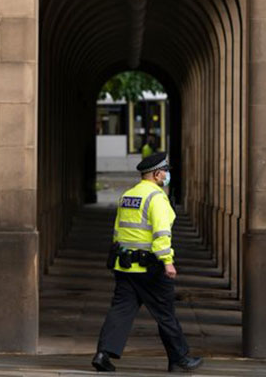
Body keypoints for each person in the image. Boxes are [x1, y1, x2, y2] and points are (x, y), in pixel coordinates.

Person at [91, 152, 202, 373]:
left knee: (120, 310)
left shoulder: (128, 195)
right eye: (166, 171)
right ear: (157, 174)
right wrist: (167, 261)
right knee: (165, 312)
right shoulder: (156, 198)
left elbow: (117, 230)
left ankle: (103, 354)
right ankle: (180, 358)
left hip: (125, 265)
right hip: (150, 268)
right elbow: (161, 233)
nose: (167, 175)